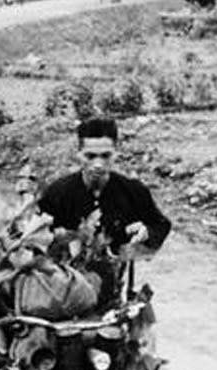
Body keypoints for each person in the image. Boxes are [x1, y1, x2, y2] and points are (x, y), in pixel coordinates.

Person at [36, 117, 171, 301]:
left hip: (113, 290)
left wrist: (145, 232)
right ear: (78, 154)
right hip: (63, 292)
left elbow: (160, 225)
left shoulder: (133, 191)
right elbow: (35, 238)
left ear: (116, 153)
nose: (98, 164)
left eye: (106, 156)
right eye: (90, 156)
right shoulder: (57, 193)